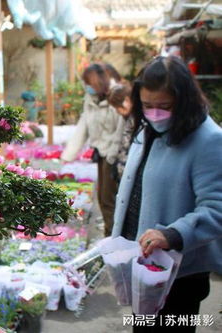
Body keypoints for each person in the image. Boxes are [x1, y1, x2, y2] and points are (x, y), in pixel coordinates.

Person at [112, 56, 222, 332]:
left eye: (164, 107)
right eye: (147, 106)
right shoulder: (148, 129)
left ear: (183, 101)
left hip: (178, 273)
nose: (155, 113)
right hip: (144, 265)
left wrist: (172, 235)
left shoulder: (208, 139)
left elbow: (217, 208)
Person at [61, 63, 124, 236]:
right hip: (101, 153)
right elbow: (84, 125)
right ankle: (110, 235)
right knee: (103, 198)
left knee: (109, 199)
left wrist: (112, 157)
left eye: (89, 83)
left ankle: (114, 238)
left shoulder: (116, 97)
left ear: (100, 83)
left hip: (116, 155)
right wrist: (68, 154)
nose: (86, 87)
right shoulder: (91, 99)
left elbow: (121, 131)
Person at [107, 82, 133, 181]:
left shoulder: (135, 120)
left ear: (127, 101)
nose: (117, 111)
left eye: (117, 107)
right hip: (123, 170)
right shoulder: (127, 118)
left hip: (128, 170)